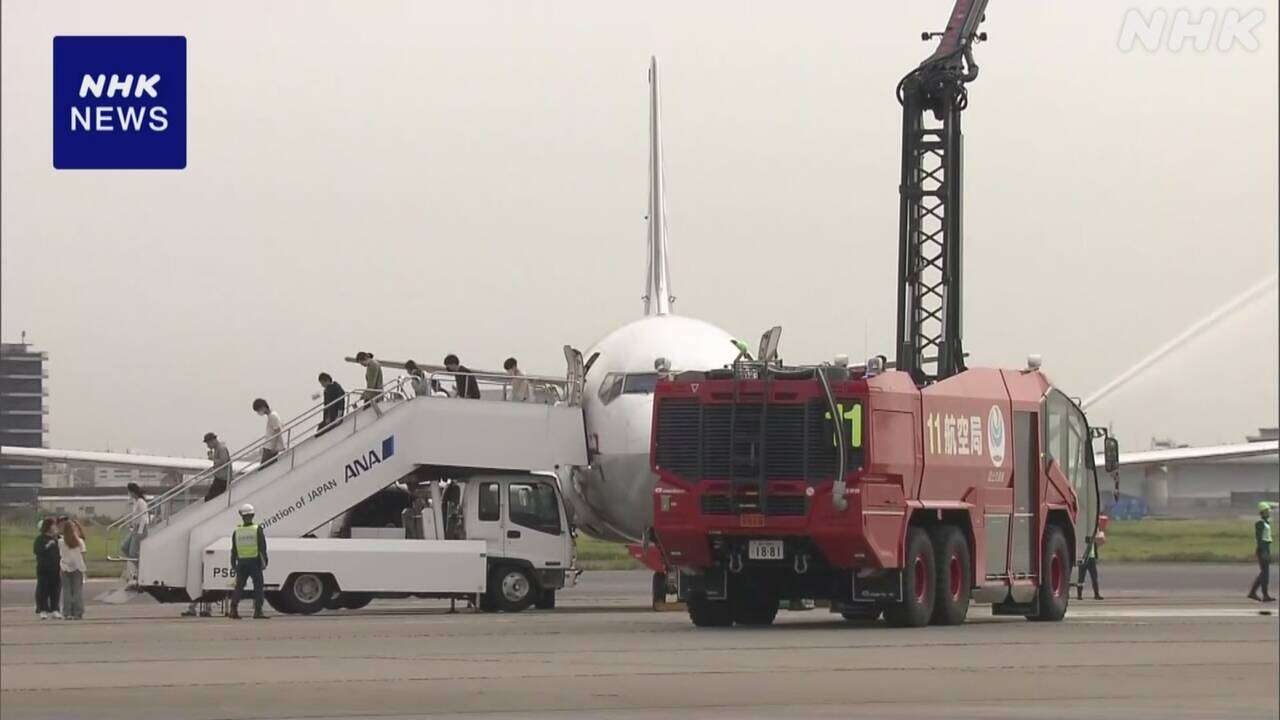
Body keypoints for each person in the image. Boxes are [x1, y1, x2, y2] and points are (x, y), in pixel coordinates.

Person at [228, 503, 269, 619]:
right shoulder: (257, 529)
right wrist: (264, 561)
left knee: (239, 587)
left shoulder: (237, 531)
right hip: (254, 562)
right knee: (258, 587)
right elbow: (262, 548)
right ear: (253, 515)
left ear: (242, 516)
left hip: (241, 563)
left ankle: (233, 610)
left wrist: (233, 564)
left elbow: (234, 550)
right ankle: (258, 611)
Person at [58, 518, 87, 620]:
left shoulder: (61, 542)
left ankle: (67, 612)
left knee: (66, 591)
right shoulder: (80, 542)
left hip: (65, 567)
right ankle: (77, 612)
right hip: (78, 567)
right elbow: (83, 555)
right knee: (77, 591)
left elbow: (60, 554)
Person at [33, 517, 61, 619]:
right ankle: (42, 609)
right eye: (53, 525)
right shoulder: (40, 539)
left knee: (55, 589)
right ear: (48, 526)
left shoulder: (57, 538)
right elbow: (37, 551)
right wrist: (48, 545)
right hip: (44, 569)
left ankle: (55, 609)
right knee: (43, 589)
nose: (55, 527)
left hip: (56, 568)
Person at [1248, 502, 1274, 602]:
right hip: (1262, 549)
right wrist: (1263, 551)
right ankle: (1255, 593)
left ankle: (1262, 594)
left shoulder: (1265, 522)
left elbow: (1270, 505)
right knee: (1264, 574)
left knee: (1265, 573)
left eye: (1268, 511)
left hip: (1266, 548)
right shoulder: (1260, 523)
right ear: (1262, 512)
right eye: (1266, 511)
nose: (1268, 513)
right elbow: (1259, 539)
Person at [252, 398, 285, 466]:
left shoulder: (273, 416)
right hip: (268, 446)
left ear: (263, 407)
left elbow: (277, 431)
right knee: (268, 466)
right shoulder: (271, 415)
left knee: (263, 468)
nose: (258, 413)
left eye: (258, 410)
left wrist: (273, 447)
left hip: (270, 448)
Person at [203, 432, 232, 501]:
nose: (208, 446)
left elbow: (223, 461)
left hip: (223, 479)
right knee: (209, 497)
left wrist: (213, 458)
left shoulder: (221, 448)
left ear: (213, 441)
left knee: (210, 498)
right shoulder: (217, 449)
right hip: (220, 478)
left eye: (208, 443)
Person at [1076, 528, 1103, 600]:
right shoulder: (1084, 535)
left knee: (1094, 577)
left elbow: (1098, 542)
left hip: (1091, 558)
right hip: (1083, 558)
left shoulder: (1093, 535)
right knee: (1081, 578)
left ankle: (1096, 594)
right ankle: (1079, 595)